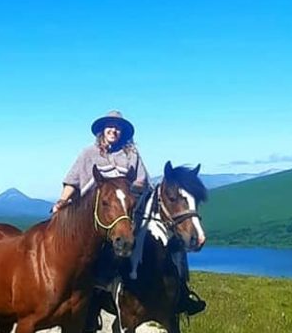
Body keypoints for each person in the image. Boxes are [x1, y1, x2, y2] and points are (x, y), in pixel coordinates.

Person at [53, 110, 205, 317]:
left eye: (118, 128)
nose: (114, 130)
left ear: (123, 133)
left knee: (170, 243)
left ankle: (180, 294)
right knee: (89, 252)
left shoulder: (131, 155)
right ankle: (87, 298)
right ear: (102, 130)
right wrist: (62, 201)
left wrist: (134, 191)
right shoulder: (88, 154)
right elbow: (73, 181)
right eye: (110, 126)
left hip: (129, 211)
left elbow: (144, 183)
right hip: (97, 216)